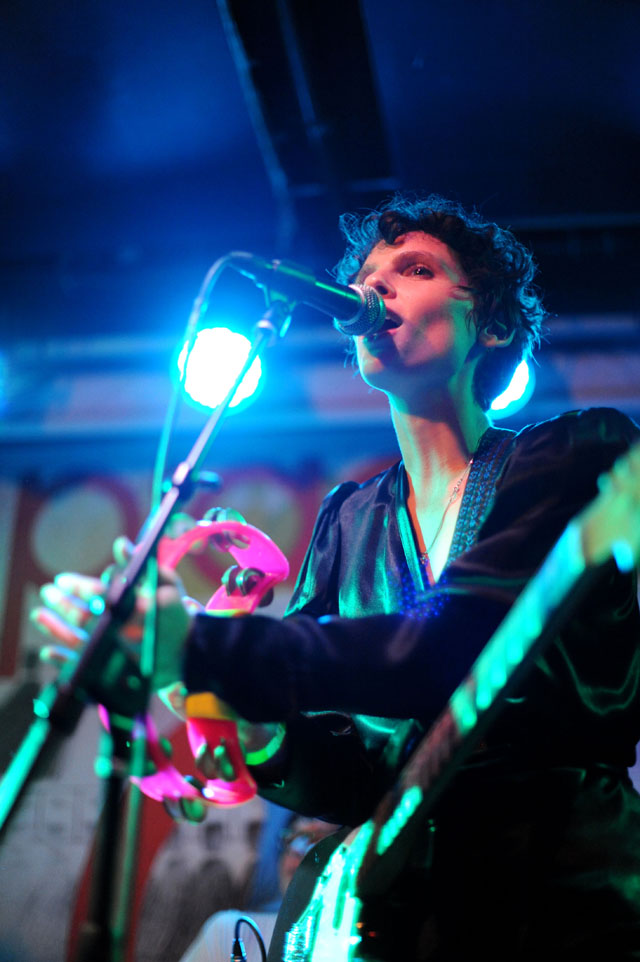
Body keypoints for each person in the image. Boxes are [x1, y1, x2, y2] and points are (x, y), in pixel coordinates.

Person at [33, 194, 640, 960]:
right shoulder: (349, 517)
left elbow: (448, 648)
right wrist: (254, 729)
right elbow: (350, 779)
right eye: (367, 273)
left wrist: (203, 647)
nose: (374, 285)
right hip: (410, 916)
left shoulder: (574, 452)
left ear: (490, 325)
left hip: (559, 896)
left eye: (415, 270)